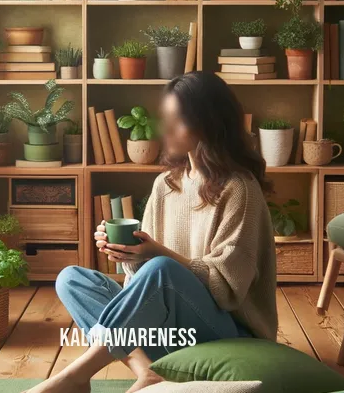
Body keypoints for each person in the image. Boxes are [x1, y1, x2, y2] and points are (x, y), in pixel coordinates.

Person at [24, 72, 277, 393]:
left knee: (162, 268)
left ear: (209, 123)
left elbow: (229, 290)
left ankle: (73, 376)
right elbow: (144, 280)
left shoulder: (240, 189)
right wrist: (127, 254)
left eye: (178, 120)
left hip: (230, 333)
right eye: (165, 118)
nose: (166, 129)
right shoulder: (166, 185)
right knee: (71, 279)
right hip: (172, 332)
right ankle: (147, 372)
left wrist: (159, 256)